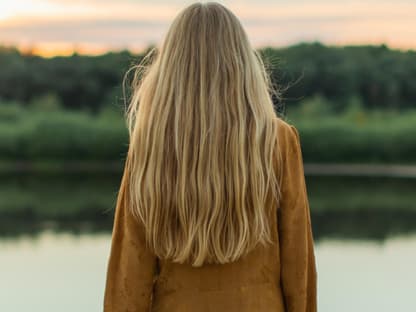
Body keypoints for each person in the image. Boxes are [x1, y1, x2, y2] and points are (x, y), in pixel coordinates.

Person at [103, 2, 317, 311]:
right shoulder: (276, 140)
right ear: (242, 61)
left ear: (172, 65)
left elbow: (128, 277)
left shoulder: (151, 144)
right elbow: (299, 269)